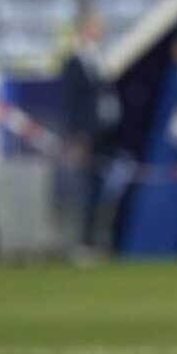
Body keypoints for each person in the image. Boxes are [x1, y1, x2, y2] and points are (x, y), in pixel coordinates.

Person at [56, 15, 122, 254]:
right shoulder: (74, 62)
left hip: (106, 134)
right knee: (87, 188)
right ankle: (84, 240)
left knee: (102, 188)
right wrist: (77, 135)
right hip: (87, 135)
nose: (100, 32)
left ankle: (97, 238)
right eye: (96, 28)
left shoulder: (101, 59)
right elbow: (71, 101)